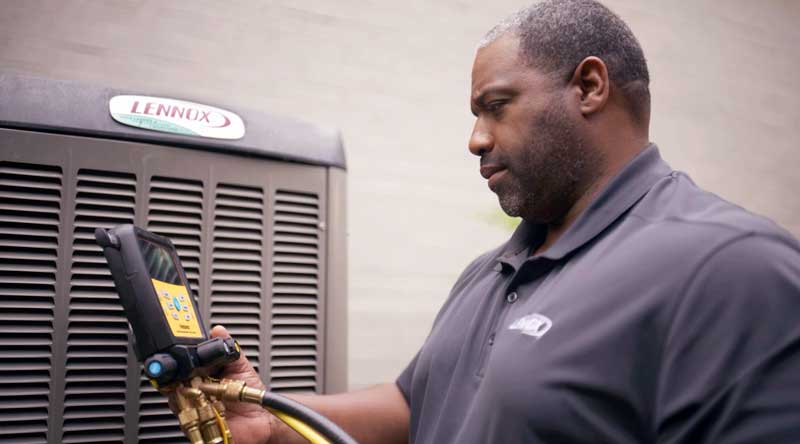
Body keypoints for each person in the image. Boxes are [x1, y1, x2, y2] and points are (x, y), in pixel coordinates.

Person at [193, 1, 800, 443]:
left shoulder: (733, 267)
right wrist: (271, 417)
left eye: (497, 107)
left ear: (589, 86)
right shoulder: (491, 272)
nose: (476, 139)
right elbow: (416, 406)